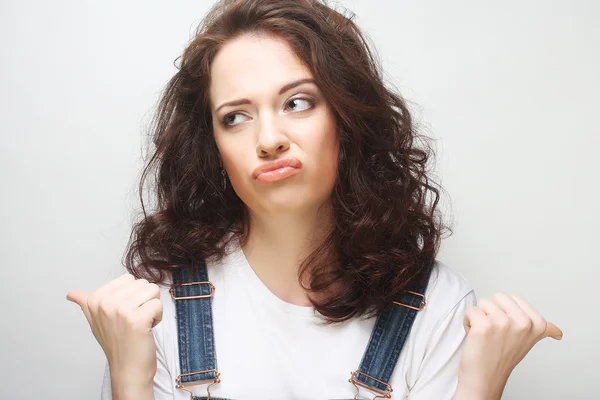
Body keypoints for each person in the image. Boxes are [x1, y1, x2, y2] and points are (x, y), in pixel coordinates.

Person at [66, 1, 562, 399]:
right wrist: (129, 384)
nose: (269, 138)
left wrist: (480, 389)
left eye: (297, 102)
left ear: (346, 119)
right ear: (213, 147)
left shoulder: (437, 307)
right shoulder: (153, 307)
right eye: (235, 116)